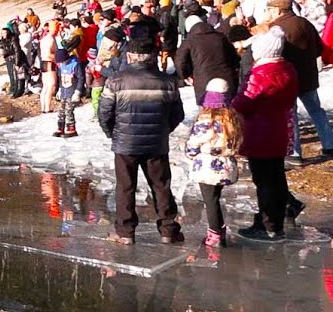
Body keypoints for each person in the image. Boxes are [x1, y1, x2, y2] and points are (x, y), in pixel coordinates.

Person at [99, 39, 185, 245]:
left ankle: (125, 232)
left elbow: (104, 113)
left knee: (125, 187)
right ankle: (168, 230)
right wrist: (163, 130)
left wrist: (113, 133)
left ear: (129, 57)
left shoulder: (116, 80)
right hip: (156, 143)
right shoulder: (167, 82)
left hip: (125, 144)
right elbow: (177, 114)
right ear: (153, 57)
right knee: (161, 185)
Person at [232, 28, 298, 241]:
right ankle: (275, 222)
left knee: (264, 181)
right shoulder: (288, 70)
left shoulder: (260, 75)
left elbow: (244, 103)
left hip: (259, 133)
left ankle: (267, 225)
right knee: (277, 177)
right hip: (279, 130)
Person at [269, 0, 333, 159]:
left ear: (277, 10)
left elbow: (273, 54)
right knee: (317, 111)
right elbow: (319, 48)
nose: (268, 12)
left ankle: (295, 153)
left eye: (269, 10)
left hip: (287, 78)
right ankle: (329, 144)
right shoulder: (305, 23)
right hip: (308, 76)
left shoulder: (276, 27)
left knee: (291, 115)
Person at [186, 79, 242, 248]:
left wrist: (191, 153)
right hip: (226, 166)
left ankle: (215, 233)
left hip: (207, 167)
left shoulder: (206, 120)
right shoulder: (232, 120)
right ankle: (220, 228)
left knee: (210, 200)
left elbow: (194, 143)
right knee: (215, 198)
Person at [175, 14, 240, 106]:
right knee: (228, 110)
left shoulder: (189, 41)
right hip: (227, 78)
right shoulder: (221, 37)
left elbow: (180, 61)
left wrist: (185, 76)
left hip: (203, 80)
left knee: (207, 111)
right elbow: (235, 58)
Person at [53, 48, 85, 137]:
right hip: (64, 91)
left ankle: (71, 128)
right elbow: (60, 78)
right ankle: (60, 127)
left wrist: (78, 91)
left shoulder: (75, 64)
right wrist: (59, 90)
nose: (61, 63)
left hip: (72, 91)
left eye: (62, 61)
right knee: (61, 111)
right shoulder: (60, 66)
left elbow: (81, 78)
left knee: (69, 110)